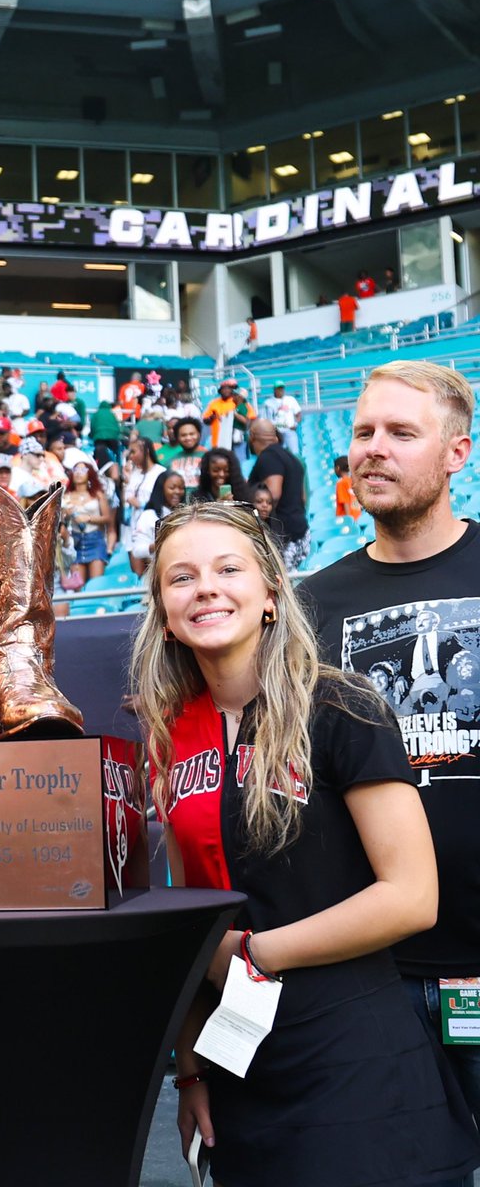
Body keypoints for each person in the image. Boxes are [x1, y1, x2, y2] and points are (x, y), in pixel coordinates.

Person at [132, 500, 480, 1187]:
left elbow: (412, 896)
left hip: (353, 1057)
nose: (205, 588)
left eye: (228, 569)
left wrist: (255, 954)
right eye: (182, 577)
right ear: (164, 613)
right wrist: (192, 1069)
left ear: (270, 594)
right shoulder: (170, 736)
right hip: (242, 1063)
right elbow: (195, 917)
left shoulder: (343, 706)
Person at [304, 361, 480, 1158]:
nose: (374, 448)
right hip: (372, 979)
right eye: (363, 432)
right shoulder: (310, 604)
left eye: (402, 433)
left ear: (456, 453)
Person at [247, 418, 309, 571]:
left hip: (282, 537)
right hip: (299, 532)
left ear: (252, 436)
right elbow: (303, 498)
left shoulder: (268, 457)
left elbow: (273, 494)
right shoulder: (292, 458)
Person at [60, 461, 113, 586]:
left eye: (83, 470)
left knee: (96, 585)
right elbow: (61, 522)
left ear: (90, 474)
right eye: (76, 470)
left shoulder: (98, 494)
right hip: (75, 541)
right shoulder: (66, 496)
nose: (78, 473)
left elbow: (107, 518)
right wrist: (66, 514)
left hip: (95, 539)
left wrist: (88, 518)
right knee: (78, 585)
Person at [130, 469, 184, 572]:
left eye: (181, 488)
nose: (177, 492)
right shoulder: (149, 515)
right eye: (172, 488)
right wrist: (159, 545)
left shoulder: (185, 514)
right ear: (161, 489)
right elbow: (137, 550)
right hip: (159, 570)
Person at [164, 417, 206, 498]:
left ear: (199, 435)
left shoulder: (208, 458)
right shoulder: (169, 461)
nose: (188, 438)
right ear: (177, 437)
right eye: (183, 435)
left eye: (192, 434)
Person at [261, 382, 301, 455]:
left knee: (294, 454)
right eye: (279, 388)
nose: (281, 390)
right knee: (278, 455)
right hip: (276, 432)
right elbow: (264, 419)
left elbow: (298, 414)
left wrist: (296, 424)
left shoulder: (290, 400)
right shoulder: (268, 403)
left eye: (282, 388)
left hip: (289, 430)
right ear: (274, 390)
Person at [202, 379, 240, 450]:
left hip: (235, 441)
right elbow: (205, 420)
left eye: (228, 388)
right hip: (217, 442)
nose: (226, 391)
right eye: (224, 389)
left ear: (232, 390)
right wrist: (211, 417)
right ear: (220, 391)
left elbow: (248, 419)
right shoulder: (213, 403)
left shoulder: (237, 402)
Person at [334, 453, 361, 521]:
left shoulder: (341, 483)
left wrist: (349, 520)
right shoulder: (353, 480)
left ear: (337, 468)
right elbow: (355, 501)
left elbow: (345, 503)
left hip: (346, 520)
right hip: (357, 517)